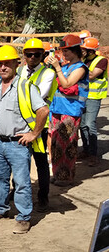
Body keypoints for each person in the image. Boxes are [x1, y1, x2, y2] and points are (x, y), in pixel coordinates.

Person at [0, 45, 49, 234]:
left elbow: (43, 110)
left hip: (18, 144)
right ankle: (0, 209)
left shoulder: (25, 86)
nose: (2, 67)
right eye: (0, 64)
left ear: (16, 64)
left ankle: (24, 217)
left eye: (7, 64)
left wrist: (33, 134)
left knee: (21, 182)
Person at [16, 38, 57, 211]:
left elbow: (39, 95)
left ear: (43, 55)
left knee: (40, 162)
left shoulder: (48, 73)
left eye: (37, 54)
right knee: (18, 161)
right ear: (24, 55)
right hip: (20, 122)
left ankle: (43, 197)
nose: (33, 57)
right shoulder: (19, 70)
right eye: (29, 54)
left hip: (39, 124)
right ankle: (15, 191)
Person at [45, 34, 89, 186]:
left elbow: (67, 84)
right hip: (57, 109)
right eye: (63, 51)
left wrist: (57, 67)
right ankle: (58, 174)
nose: (64, 54)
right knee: (56, 145)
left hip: (70, 111)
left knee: (67, 145)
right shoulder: (66, 67)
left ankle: (66, 177)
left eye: (67, 51)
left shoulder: (81, 68)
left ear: (76, 51)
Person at [80, 37, 106, 166]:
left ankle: (93, 154)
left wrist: (78, 69)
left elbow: (91, 75)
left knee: (90, 124)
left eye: (84, 49)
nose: (82, 51)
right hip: (82, 96)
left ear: (91, 51)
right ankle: (86, 149)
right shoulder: (84, 61)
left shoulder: (101, 61)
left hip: (93, 97)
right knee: (82, 125)